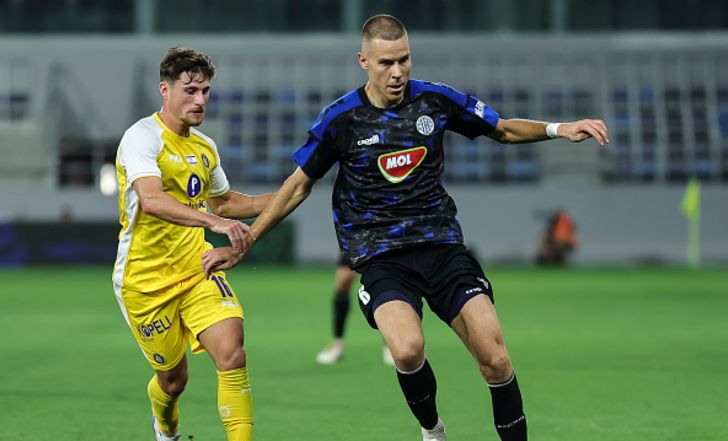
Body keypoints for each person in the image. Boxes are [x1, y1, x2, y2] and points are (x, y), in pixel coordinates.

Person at [238, 14, 609, 441]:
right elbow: (298, 185)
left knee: (496, 359)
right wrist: (250, 237)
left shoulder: (435, 100)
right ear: (363, 61)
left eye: (404, 60)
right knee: (407, 350)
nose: (397, 72)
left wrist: (560, 129)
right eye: (386, 63)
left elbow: (503, 129)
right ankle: (433, 431)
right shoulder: (340, 120)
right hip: (381, 256)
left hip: (442, 247)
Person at [112, 47, 271, 441]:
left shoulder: (204, 146)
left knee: (232, 352)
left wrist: (288, 193)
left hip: (197, 266)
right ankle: (165, 428)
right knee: (173, 381)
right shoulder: (141, 137)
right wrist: (215, 222)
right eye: (190, 90)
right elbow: (152, 200)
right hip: (144, 281)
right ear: (164, 90)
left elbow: (226, 202)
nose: (200, 100)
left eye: (205, 91)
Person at [315, 255, 395, 366]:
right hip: (356, 244)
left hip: (380, 245)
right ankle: (337, 345)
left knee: (383, 281)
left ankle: (391, 345)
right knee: (342, 283)